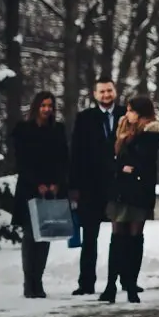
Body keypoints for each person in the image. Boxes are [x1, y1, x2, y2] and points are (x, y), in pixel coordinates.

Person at [101, 96, 159, 303]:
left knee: (134, 238)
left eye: (131, 110)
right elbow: (108, 157)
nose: (127, 114)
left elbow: (144, 161)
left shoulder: (151, 133)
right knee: (117, 238)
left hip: (139, 191)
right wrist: (120, 167)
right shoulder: (122, 130)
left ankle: (130, 284)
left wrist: (127, 165)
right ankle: (111, 284)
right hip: (120, 190)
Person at [68, 78, 124, 296]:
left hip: (118, 185)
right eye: (101, 91)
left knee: (120, 236)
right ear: (95, 94)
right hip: (90, 187)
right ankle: (86, 282)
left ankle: (124, 280)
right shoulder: (85, 118)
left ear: (115, 91)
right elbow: (77, 154)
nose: (106, 95)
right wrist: (74, 186)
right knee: (89, 237)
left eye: (109, 90)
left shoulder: (124, 115)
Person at [12, 92, 69, 299]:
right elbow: (21, 160)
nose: (47, 109)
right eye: (43, 105)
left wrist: (56, 183)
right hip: (29, 188)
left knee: (45, 236)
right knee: (30, 236)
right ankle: (29, 281)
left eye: (50, 106)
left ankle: (39, 280)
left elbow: (63, 158)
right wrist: (38, 184)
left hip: (52, 189)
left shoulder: (58, 130)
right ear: (36, 107)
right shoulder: (23, 130)